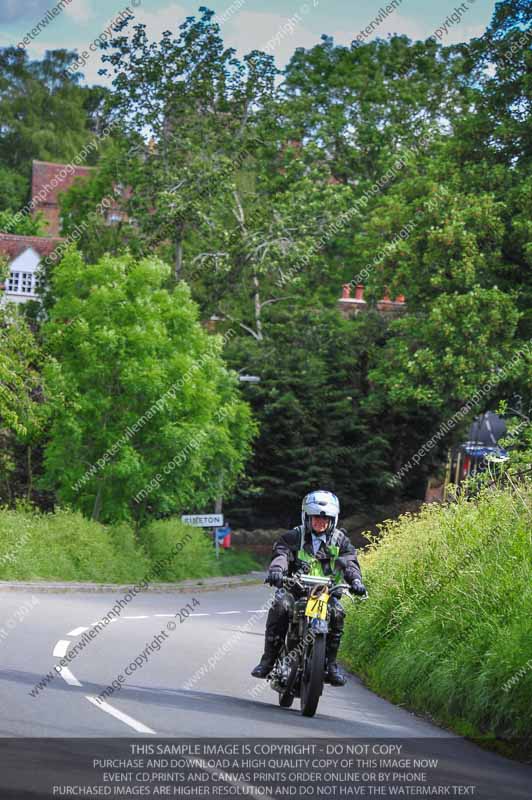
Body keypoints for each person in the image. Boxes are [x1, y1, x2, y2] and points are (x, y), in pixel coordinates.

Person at [251, 490, 366, 687]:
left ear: (333, 520)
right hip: (295, 590)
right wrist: (277, 570)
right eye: (315, 519)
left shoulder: (341, 541)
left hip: (326, 593)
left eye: (325, 520)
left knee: (337, 614)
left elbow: (350, 563)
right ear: (306, 517)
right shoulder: (293, 536)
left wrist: (356, 581)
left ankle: (330, 665)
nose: (320, 523)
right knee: (279, 606)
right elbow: (281, 553)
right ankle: (268, 660)